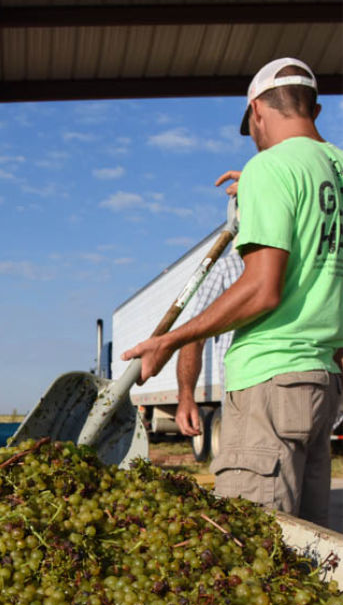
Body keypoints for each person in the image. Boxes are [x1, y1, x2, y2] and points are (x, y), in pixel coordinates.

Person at [122, 57, 343, 526]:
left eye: (253, 127)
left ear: (258, 111)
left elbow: (262, 290)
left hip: (270, 379)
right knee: (307, 556)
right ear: (315, 110)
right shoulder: (336, 171)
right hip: (322, 383)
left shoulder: (270, 168)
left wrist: (170, 338)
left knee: (250, 550)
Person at [175, 242, 244, 439]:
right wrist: (186, 396)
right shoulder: (229, 269)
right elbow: (194, 337)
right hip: (239, 399)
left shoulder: (298, 269)